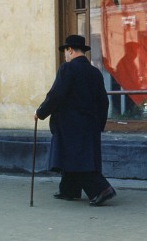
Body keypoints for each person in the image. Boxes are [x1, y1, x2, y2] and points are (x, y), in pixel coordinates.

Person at [35, 35, 116, 207]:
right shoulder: (95, 72)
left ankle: (101, 189)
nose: (65, 54)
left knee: (77, 159)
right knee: (75, 156)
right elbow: (103, 101)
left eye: (66, 51)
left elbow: (56, 95)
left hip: (70, 124)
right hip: (90, 125)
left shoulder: (68, 69)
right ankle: (69, 190)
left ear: (70, 50)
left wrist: (40, 112)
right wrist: (99, 124)